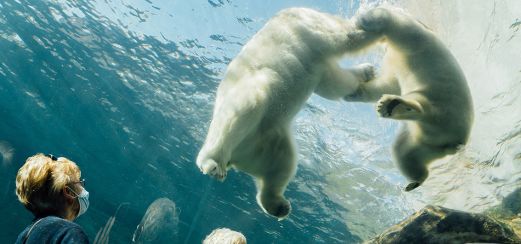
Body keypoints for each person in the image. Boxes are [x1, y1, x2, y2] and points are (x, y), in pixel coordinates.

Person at [15, 153, 90, 244]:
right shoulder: (69, 233)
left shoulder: (24, 236)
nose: (83, 188)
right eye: (79, 183)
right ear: (68, 192)